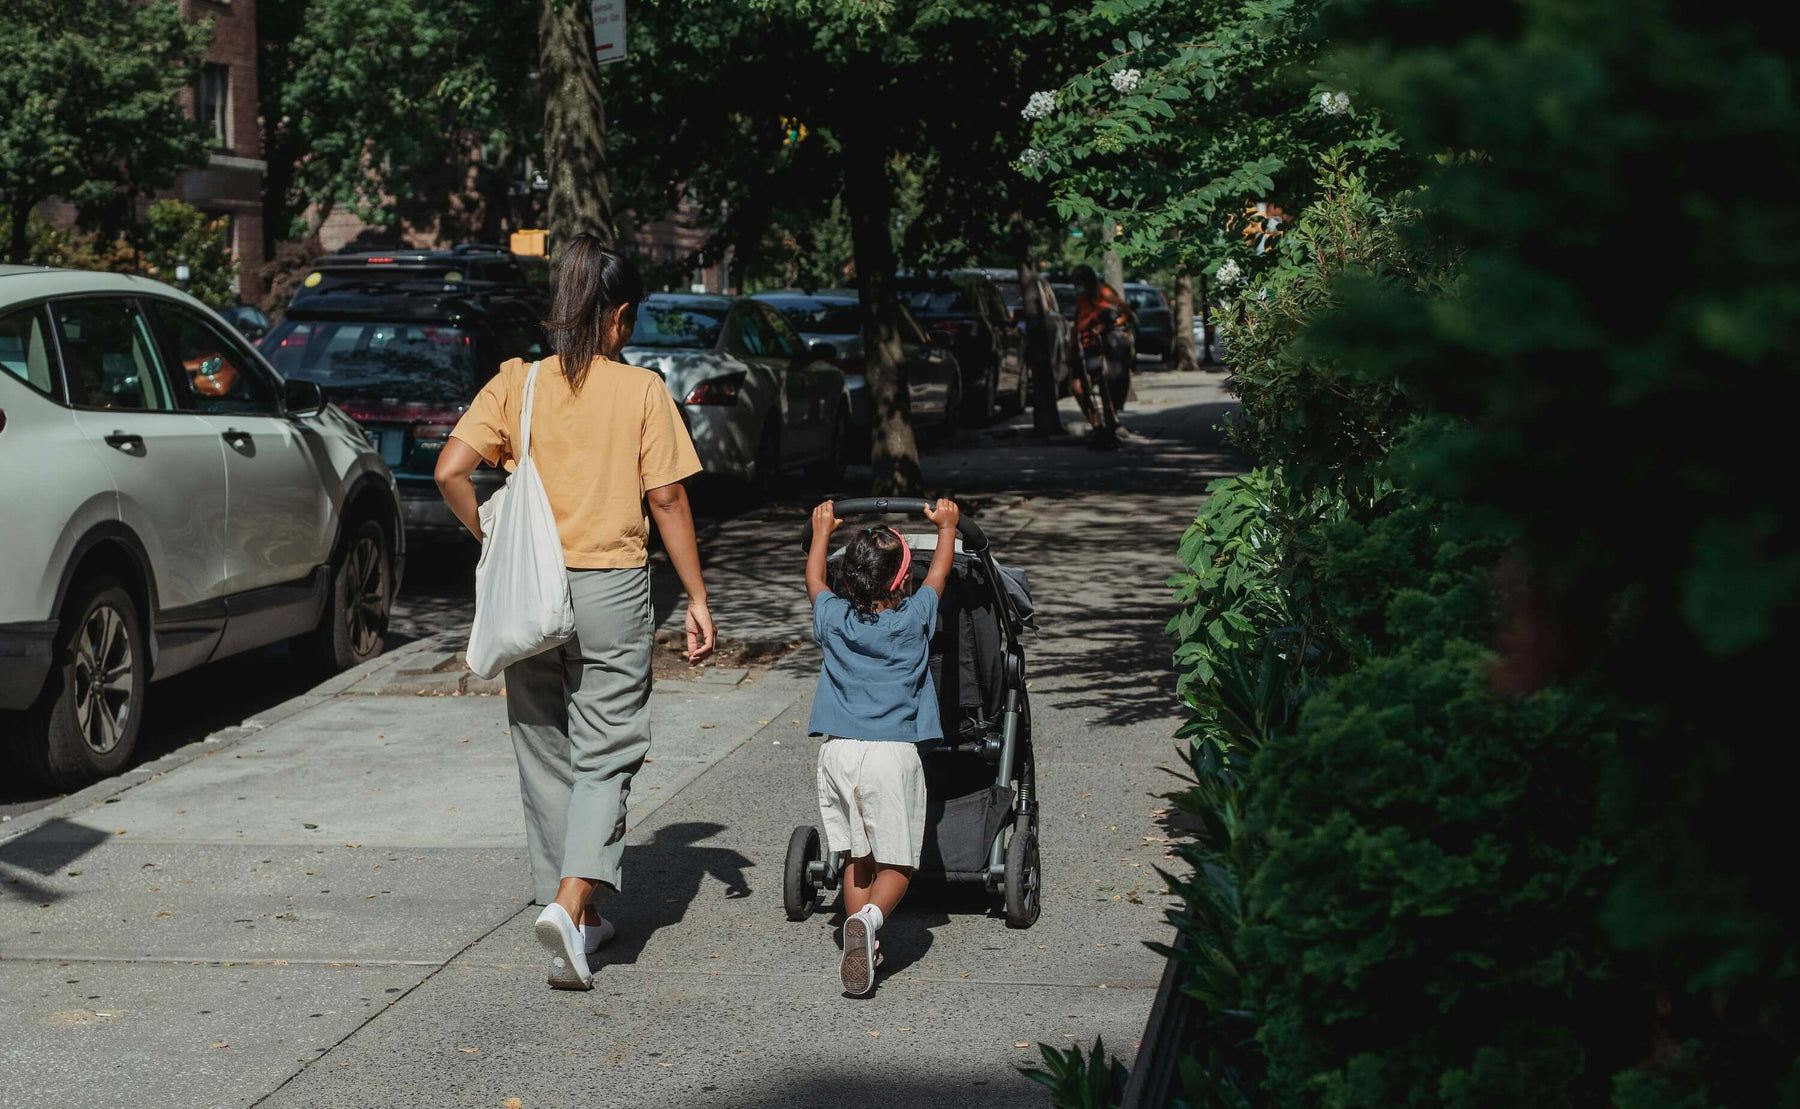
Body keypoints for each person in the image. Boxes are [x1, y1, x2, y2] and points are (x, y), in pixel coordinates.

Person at [434, 237, 717, 991]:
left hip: (531, 587)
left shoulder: (516, 384)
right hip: (609, 588)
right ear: (620, 316)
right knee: (607, 747)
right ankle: (569, 902)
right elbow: (667, 499)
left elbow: (449, 470)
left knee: (541, 744)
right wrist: (695, 595)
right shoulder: (641, 391)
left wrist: (494, 533)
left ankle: (583, 919)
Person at [804, 497, 960, 996]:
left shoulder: (833, 617)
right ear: (901, 582)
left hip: (838, 753)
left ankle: (862, 946)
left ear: (847, 580)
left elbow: (813, 581)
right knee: (899, 862)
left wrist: (821, 530)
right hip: (891, 753)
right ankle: (870, 921)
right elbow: (939, 576)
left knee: (856, 853)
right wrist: (948, 528)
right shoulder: (913, 620)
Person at [1071, 264, 1133, 447]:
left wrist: (1105, 326)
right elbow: (1077, 321)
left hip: (1102, 346)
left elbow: (1126, 314)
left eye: (1080, 283)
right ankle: (1096, 424)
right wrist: (1072, 344)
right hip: (1084, 345)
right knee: (1077, 386)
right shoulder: (1081, 298)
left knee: (1104, 386)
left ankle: (1110, 424)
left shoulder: (1105, 293)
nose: (1078, 288)